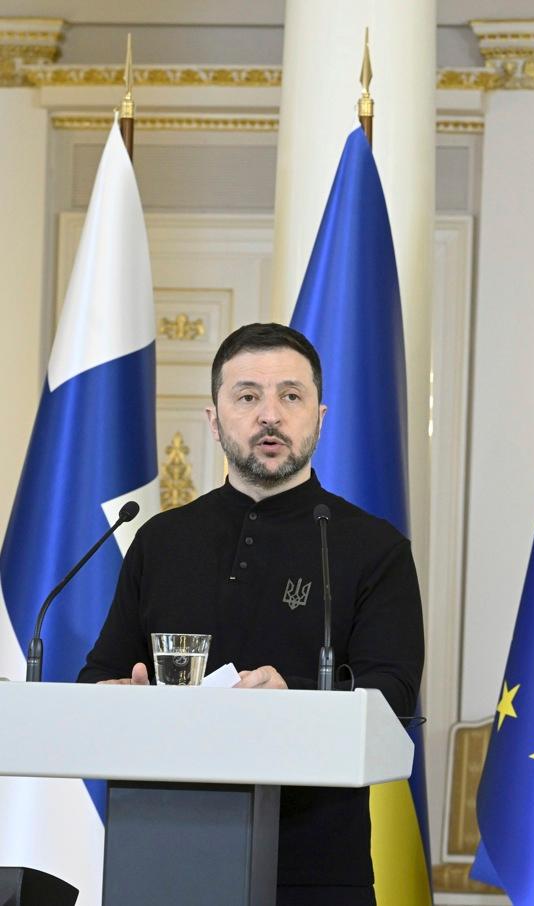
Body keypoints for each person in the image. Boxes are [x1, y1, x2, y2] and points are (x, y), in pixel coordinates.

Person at [78, 322, 425, 906]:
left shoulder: (374, 547)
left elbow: (392, 694)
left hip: (315, 868)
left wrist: (295, 696)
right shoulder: (161, 541)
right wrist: (120, 693)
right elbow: (99, 675)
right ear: (213, 420)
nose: (271, 415)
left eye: (291, 396)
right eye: (247, 396)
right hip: (160, 857)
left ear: (320, 416)